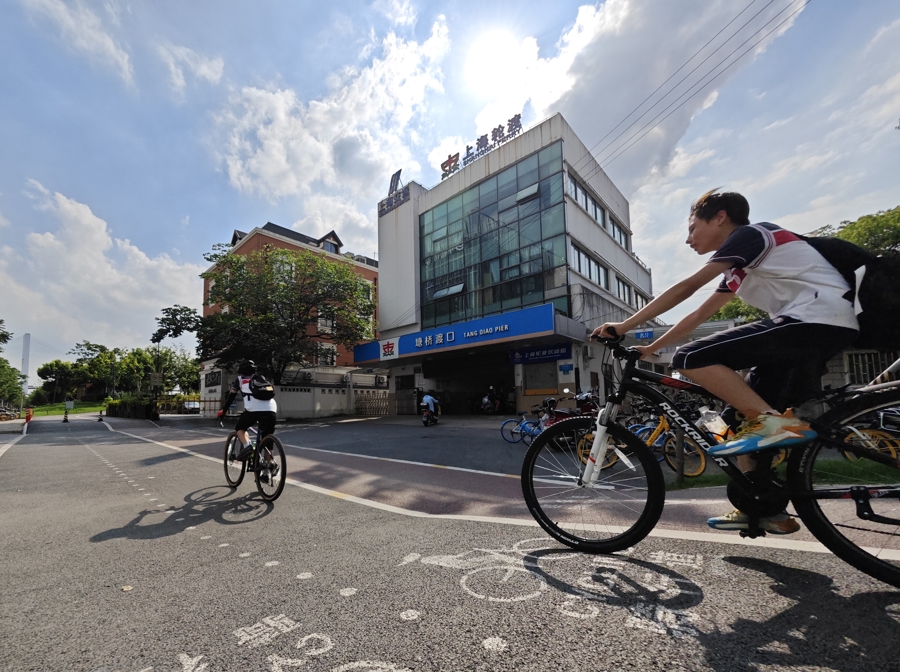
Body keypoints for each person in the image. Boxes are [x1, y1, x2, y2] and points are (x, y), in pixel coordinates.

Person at [592, 189, 858, 535]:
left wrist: (625, 326)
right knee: (735, 426)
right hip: (813, 329)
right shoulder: (740, 268)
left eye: (692, 228)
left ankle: (775, 423)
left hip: (815, 319)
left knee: (689, 356)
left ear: (720, 217)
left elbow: (687, 288)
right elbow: (699, 314)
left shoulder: (750, 236)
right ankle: (763, 509)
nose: (689, 239)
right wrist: (647, 348)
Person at [217, 360, 277, 462]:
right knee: (267, 440)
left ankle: (247, 446)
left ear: (240, 372)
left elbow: (231, 398)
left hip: (253, 410)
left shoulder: (240, 379)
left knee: (240, 427)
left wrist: (223, 411)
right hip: (271, 409)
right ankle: (269, 468)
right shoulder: (261, 379)